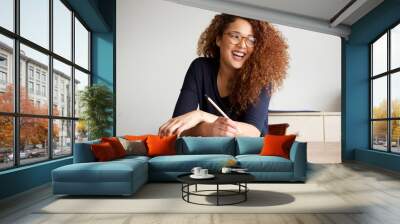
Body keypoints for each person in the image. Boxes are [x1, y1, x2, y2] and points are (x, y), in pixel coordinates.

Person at [158, 13, 288, 137]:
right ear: (219, 39)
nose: (242, 45)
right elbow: (177, 125)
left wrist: (201, 116)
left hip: (252, 156)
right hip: (213, 154)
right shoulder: (200, 68)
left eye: (251, 40)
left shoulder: (261, 77)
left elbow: (252, 132)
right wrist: (209, 129)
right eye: (235, 36)